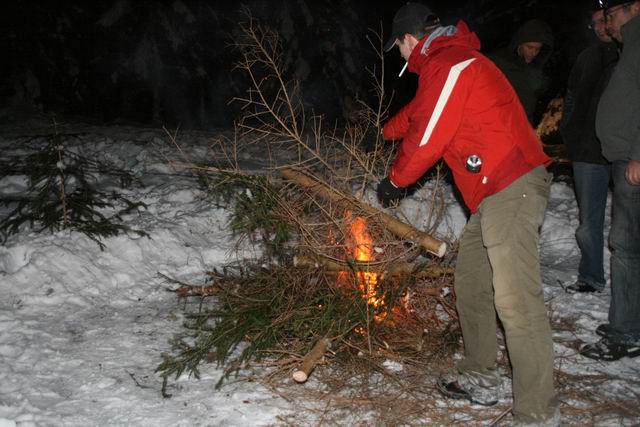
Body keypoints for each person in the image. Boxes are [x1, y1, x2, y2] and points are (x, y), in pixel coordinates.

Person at [378, 3, 558, 425]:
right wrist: (386, 130)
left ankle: (536, 412)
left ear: (408, 38)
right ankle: (481, 375)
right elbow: (422, 113)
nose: (399, 57)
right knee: (473, 281)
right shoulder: (446, 65)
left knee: (516, 301)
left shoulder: (450, 62)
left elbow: (430, 132)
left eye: (398, 47)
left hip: (512, 185)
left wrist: (396, 181)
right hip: (493, 193)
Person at [581, 0, 640, 361]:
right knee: (629, 247)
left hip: (632, 162)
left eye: (613, 15)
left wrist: (638, 152)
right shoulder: (630, 43)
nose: (608, 23)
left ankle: (626, 332)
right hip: (622, 157)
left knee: (626, 247)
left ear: (635, 7)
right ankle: (629, 319)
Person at [560, 3, 619, 293]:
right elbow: (570, 96)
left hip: (623, 151)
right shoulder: (586, 57)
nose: (600, 27)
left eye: (604, 21)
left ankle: (628, 285)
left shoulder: (629, 53)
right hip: (587, 151)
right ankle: (591, 276)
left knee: (627, 225)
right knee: (588, 223)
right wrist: (568, 131)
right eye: (595, 23)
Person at [488, 19, 554, 125]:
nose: (534, 53)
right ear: (520, 44)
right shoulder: (498, 61)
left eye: (538, 49)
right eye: (530, 47)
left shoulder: (538, 66)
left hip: (525, 124)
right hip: (500, 122)